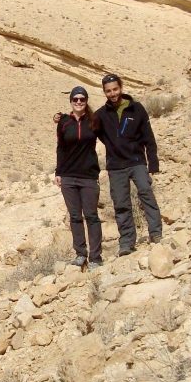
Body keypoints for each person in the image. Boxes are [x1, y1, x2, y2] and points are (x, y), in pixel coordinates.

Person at [94, 74, 162, 255]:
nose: (112, 93)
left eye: (115, 89)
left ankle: (156, 233)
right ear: (104, 92)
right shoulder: (101, 114)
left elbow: (149, 137)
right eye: (108, 91)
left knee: (146, 194)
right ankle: (126, 242)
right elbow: (88, 129)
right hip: (116, 166)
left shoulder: (136, 108)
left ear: (121, 88)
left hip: (137, 161)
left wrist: (153, 165)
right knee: (121, 204)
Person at [54, 86, 103, 268]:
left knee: (91, 216)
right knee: (75, 216)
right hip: (68, 177)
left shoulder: (94, 121)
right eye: (75, 99)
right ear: (71, 101)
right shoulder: (64, 122)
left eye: (82, 99)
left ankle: (96, 257)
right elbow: (60, 147)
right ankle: (80, 254)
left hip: (88, 176)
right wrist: (58, 172)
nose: (79, 102)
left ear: (86, 101)